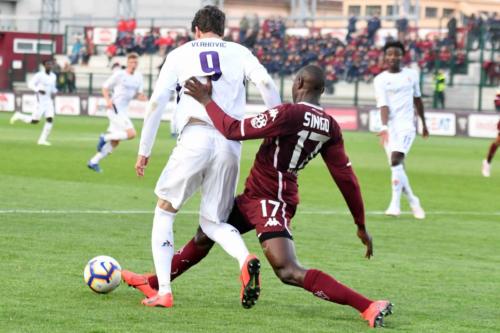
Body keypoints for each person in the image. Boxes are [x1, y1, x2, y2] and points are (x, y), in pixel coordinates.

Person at [123, 65, 393, 328]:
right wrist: (360, 224)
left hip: (270, 200)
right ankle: (155, 282)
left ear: (298, 83)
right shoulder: (331, 127)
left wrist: (206, 100)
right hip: (262, 195)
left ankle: (368, 305)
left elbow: (232, 129)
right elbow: (346, 179)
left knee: (288, 270)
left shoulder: (289, 113)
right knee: (206, 234)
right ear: (321, 90)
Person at [132, 5, 281, 308]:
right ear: (223, 31)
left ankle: (164, 291)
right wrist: (275, 126)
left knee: (165, 210)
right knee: (213, 222)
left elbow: (157, 101)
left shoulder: (180, 53)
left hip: (195, 137)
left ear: (196, 30)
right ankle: (244, 257)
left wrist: (144, 150)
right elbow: (265, 83)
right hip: (230, 143)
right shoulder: (239, 52)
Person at [374, 41, 429, 219]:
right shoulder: (380, 79)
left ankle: (395, 205)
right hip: (390, 127)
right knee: (397, 167)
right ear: (384, 56)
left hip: (406, 125)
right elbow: (383, 105)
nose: (392, 57)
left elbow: (418, 100)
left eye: (396, 54)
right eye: (389, 54)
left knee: (396, 160)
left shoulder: (412, 75)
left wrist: (424, 124)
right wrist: (383, 127)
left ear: (402, 56)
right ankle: (413, 200)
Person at [87, 53, 147, 172]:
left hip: (123, 110)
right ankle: (104, 137)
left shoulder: (139, 77)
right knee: (131, 133)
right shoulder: (120, 74)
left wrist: (142, 97)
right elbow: (105, 87)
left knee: (115, 142)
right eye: (131, 62)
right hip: (114, 108)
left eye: (135, 62)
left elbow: (138, 94)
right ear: (127, 63)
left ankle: (93, 162)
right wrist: (108, 100)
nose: (133, 64)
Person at [10, 59, 57, 146]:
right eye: (47, 64)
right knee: (35, 121)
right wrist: (38, 90)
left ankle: (42, 140)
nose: (49, 65)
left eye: (50, 64)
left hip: (48, 101)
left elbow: (53, 88)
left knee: (50, 119)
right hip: (40, 101)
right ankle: (19, 115)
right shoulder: (39, 75)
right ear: (44, 65)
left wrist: (56, 91)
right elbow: (30, 84)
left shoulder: (53, 76)